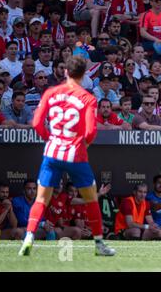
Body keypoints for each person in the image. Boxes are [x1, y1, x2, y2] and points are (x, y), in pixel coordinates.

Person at [18, 56, 115, 256]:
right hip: (76, 154)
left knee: (41, 199)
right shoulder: (88, 98)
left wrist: (50, 139)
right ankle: (99, 244)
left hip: (52, 152)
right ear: (84, 75)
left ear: (65, 72)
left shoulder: (51, 92)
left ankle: (28, 237)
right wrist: (83, 145)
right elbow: (90, 132)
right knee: (91, 200)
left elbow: (36, 123)